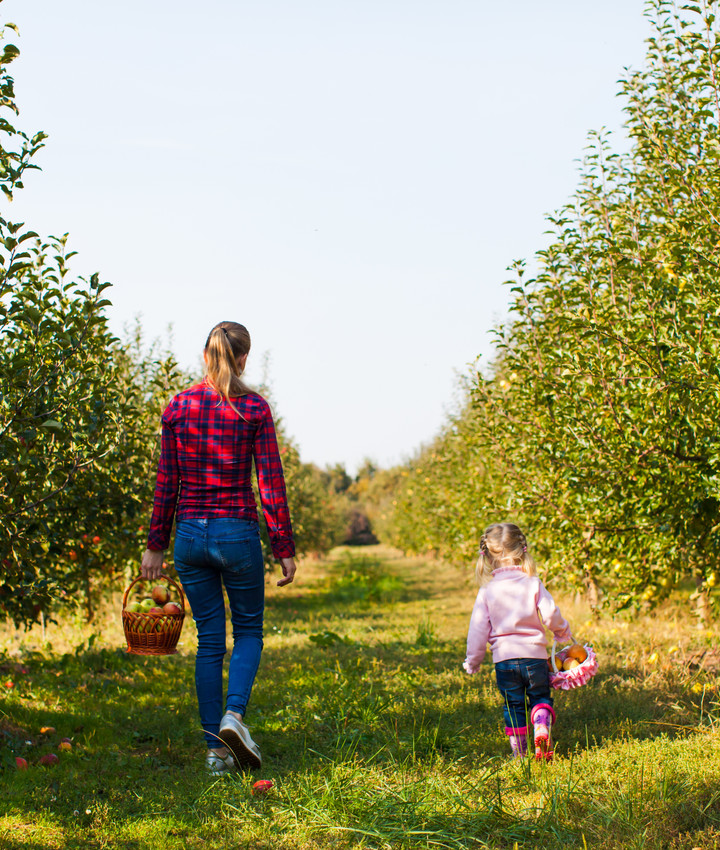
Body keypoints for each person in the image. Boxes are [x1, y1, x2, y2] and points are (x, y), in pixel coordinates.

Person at [140, 321, 297, 776]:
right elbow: (269, 483)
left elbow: (166, 483)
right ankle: (234, 717)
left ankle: (215, 751)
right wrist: (283, 545)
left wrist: (156, 545)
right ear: (243, 358)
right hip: (237, 534)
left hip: (189, 535)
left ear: (205, 356)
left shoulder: (179, 406)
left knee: (209, 640)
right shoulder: (254, 409)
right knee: (247, 631)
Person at [463, 522, 572, 760]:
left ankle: (520, 754)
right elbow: (551, 614)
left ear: (489, 557)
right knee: (540, 697)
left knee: (513, 706)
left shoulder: (487, 591)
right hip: (535, 658)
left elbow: (478, 630)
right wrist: (562, 633)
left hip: (505, 662)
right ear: (522, 550)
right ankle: (541, 724)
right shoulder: (533, 583)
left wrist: (473, 660)